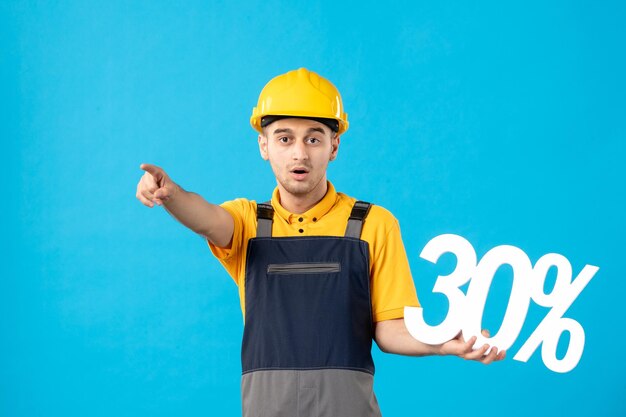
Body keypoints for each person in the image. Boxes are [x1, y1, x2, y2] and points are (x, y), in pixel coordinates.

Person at [135, 68, 505, 417]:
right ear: (264, 145)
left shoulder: (373, 225)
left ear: (334, 146)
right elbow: (206, 217)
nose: (300, 153)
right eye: (285, 138)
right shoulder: (248, 223)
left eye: (314, 138)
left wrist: (443, 340)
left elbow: (390, 330)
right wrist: (171, 194)